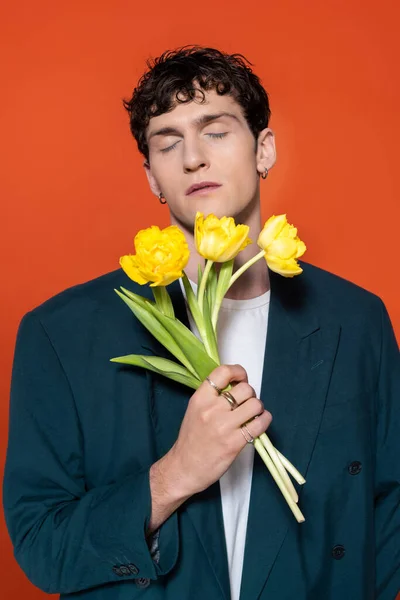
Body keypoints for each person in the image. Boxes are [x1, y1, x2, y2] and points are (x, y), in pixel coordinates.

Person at [3, 46, 399, 600]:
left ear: (264, 149)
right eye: (167, 143)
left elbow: (388, 513)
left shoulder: (356, 322)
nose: (193, 158)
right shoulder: (60, 335)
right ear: (152, 178)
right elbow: (42, 543)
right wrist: (176, 475)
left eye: (215, 132)